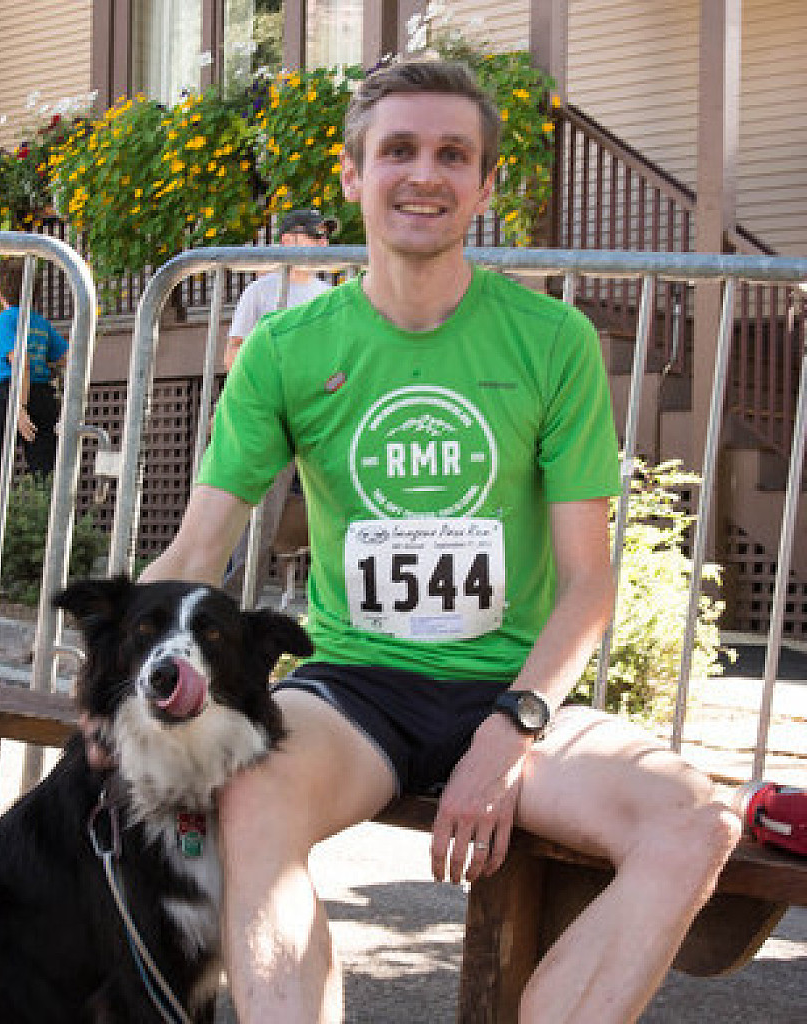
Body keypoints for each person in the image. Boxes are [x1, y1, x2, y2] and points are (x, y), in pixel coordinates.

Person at [139, 59, 741, 1024]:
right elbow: (197, 552)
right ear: (352, 174)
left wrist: (509, 730)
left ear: (486, 185)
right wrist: (118, 682)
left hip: (515, 690)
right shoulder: (288, 348)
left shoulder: (552, 340)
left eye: (454, 154)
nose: (425, 173)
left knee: (695, 821)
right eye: (400, 150)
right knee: (246, 790)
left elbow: (589, 584)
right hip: (352, 691)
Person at [221, 207, 337, 602]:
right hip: (270, 416)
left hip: (319, 415)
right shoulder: (261, 291)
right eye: (314, 235)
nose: (323, 243)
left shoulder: (329, 296)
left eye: (325, 237)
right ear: (288, 240)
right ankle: (234, 605)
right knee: (258, 519)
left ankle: (334, 610)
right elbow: (232, 355)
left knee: (333, 510)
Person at [0, 257, 67, 537]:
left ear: (0, 291)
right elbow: (67, 357)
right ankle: (47, 537)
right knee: (44, 470)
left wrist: (19, 408)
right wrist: (46, 366)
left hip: (12, 395)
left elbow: (19, 362)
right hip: (44, 397)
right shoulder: (41, 323)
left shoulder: (5, 321)